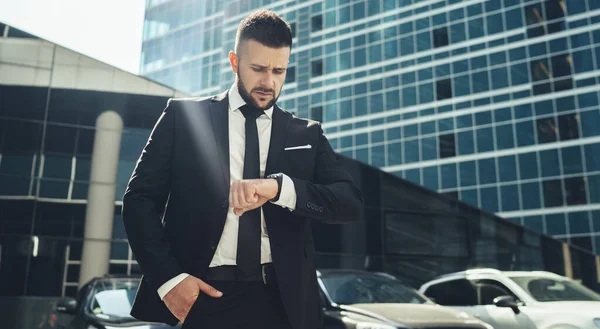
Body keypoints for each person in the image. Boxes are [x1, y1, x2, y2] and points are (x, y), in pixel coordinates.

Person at [122, 9, 363, 329]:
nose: (269, 81)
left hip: (286, 304)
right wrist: (169, 280)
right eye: (258, 68)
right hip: (206, 297)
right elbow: (139, 202)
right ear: (234, 62)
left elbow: (349, 202)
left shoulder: (306, 133)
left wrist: (279, 188)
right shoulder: (183, 118)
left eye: (279, 70)